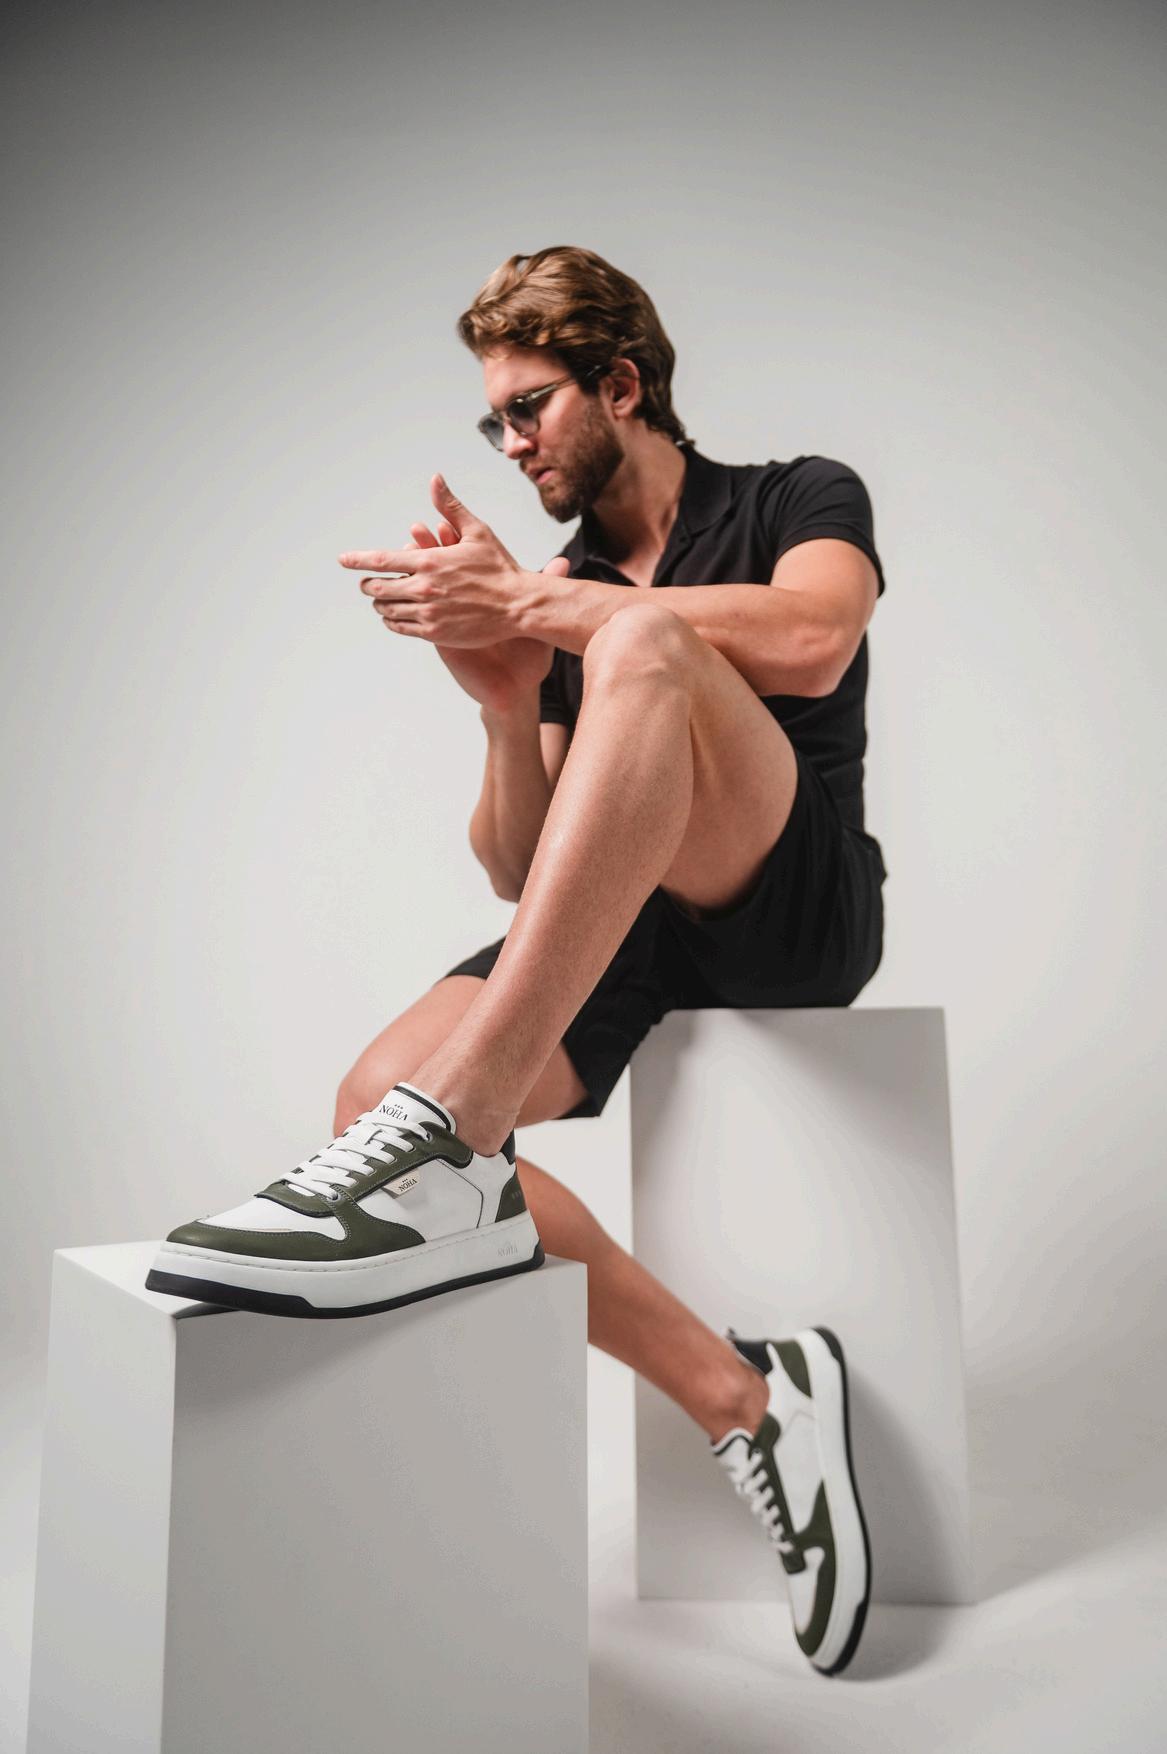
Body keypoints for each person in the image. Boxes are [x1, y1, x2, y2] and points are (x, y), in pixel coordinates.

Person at [146, 245, 884, 1676]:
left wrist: (544, 612)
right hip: (640, 923)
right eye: (493, 421)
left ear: (623, 385)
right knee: (370, 1093)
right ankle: (747, 1397)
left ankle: (455, 1135)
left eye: (530, 405)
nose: (511, 442)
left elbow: (814, 637)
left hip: (791, 908)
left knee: (644, 644)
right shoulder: (573, 590)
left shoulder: (797, 496)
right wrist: (502, 703)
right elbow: (523, 867)